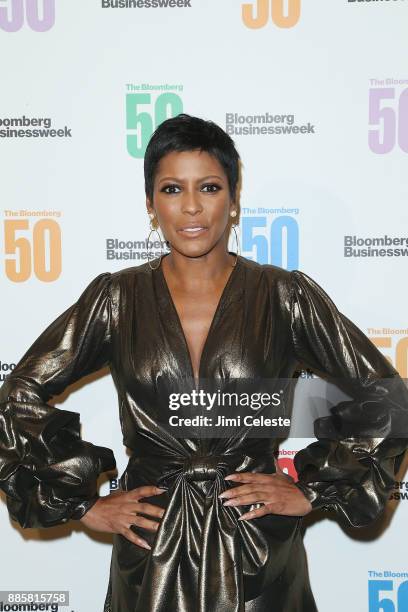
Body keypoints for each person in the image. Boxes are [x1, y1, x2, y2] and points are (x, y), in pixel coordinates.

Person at [0, 114, 407, 612]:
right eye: (172, 189)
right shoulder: (117, 299)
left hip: (257, 550)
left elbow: (385, 399)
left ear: (234, 200)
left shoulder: (283, 296)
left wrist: (311, 491)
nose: (191, 207)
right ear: (150, 204)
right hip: (152, 548)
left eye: (209, 187)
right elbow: (16, 398)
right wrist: (83, 504)